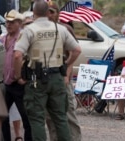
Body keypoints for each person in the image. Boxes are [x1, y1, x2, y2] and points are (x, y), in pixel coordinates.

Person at [13, 0, 81, 140]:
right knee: (61, 118)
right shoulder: (60, 29)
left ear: (34, 12)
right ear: (47, 12)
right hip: (56, 77)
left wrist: (18, 75)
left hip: (36, 78)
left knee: (37, 119)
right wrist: (66, 64)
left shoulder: (29, 30)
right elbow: (76, 50)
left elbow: (18, 55)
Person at [46, 2, 82, 141]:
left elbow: (73, 53)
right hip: (47, 80)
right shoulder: (42, 30)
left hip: (62, 77)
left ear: (57, 14)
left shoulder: (65, 29)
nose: (49, 15)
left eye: (52, 12)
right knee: (50, 116)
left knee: (69, 114)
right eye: (47, 12)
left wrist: (66, 74)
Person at [0, 9, 32, 141]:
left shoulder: (22, 38)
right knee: (2, 116)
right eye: (7, 22)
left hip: (19, 84)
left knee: (26, 118)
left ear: (19, 23)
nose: (8, 24)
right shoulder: (2, 39)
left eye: (12, 22)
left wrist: (20, 77)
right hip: (6, 83)